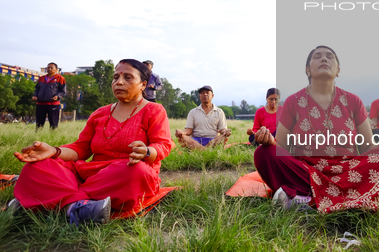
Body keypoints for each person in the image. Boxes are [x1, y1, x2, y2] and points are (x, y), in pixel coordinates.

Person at [253, 46, 379, 213]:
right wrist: (270, 142)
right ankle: (349, 198)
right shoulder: (292, 101)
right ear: (307, 70)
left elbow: (368, 148)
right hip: (306, 171)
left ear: (338, 70)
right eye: (317, 56)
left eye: (330, 56)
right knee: (264, 153)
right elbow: (282, 148)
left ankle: (304, 198)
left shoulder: (353, 101)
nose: (324, 58)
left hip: (349, 172)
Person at [12, 59, 172, 225]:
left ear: (143, 84)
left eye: (128, 77)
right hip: (90, 175)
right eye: (115, 77)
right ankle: (77, 206)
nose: (119, 82)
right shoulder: (99, 113)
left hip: (124, 175)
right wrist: (54, 151)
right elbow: (81, 148)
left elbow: (162, 145)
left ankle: (45, 200)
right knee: (38, 165)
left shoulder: (154, 110)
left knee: (137, 172)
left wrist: (147, 151)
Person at [175, 85, 231, 150]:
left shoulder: (219, 111)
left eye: (207, 92)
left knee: (223, 137)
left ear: (212, 95)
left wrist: (225, 132)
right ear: (199, 96)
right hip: (195, 140)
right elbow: (189, 130)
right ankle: (206, 150)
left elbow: (222, 130)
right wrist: (182, 132)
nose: (205, 94)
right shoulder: (193, 112)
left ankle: (200, 150)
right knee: (183, 137)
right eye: (202, 93)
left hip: (213, 140)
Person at [32, 62, 67, 130]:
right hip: (40, 104)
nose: (49, 69)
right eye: (48, 67)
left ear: (56, 69)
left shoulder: (60, 78)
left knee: (53, 124)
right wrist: (35, 96)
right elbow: (37, 89)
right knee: (39, 124)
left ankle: (53, 137)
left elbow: (63, 91)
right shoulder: (41, 78)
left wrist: (57, 96)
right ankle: (38, 137)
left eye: (51, 68)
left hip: (53, 104)